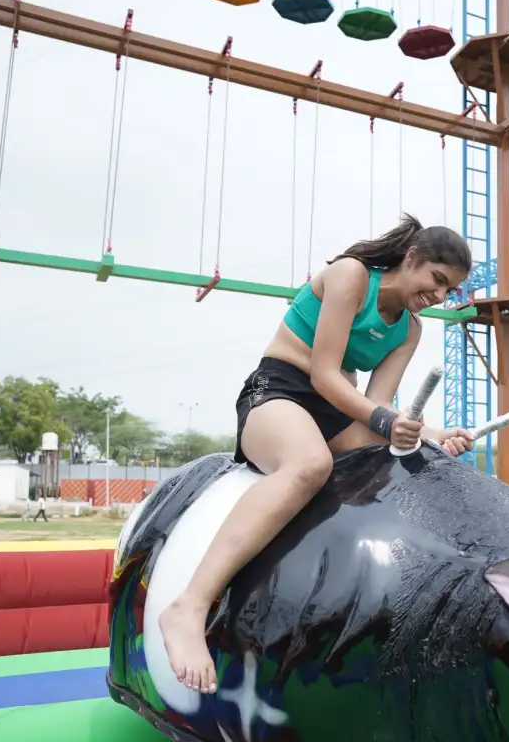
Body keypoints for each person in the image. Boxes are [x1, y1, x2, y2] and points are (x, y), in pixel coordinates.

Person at [160, 215, 475, 693]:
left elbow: (382, 403)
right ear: (411, 259)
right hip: (280, 391)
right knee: (310, 466)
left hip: (336, 413)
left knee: (415, 457)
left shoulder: (410, 330)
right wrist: (387, 422)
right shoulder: (351, 275)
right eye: (437, 280)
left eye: (449, 290)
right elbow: (326, 376)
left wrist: (429, 432)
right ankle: (190, 605)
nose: (439, 296)